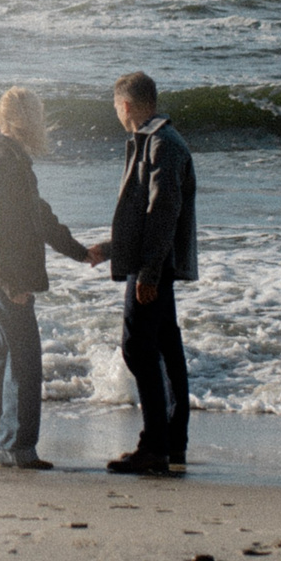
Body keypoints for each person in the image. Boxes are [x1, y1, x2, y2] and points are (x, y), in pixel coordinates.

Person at [80, 71, 196, 476]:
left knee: (138, 348)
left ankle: (155, 447)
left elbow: (163, 213)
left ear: (125, 106)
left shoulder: (161, 144)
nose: (115, 112)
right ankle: (172, 443)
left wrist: (146, 272)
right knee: (166, 349)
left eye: (115, 106)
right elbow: (145, 218)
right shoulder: (155, 141)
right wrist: (111, 250)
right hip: (154, 262)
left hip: (154, 267)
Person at [0, 86, 90, 471]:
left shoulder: (11, 157)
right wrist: (11, 283)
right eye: (35, 114)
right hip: (4, 275)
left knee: (2, 354)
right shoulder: (5, 160)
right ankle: (15, 447)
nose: (41, 121)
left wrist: (79, 251)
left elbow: (38, 215)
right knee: (25, 358)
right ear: (19, 119)